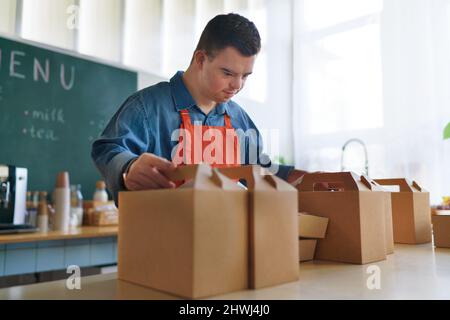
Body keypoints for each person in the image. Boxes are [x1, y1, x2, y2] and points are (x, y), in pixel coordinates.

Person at [91, 13, 308, 205]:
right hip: (160, 241)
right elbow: (107, 149)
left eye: (245, 76)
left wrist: (304, 177)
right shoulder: (147, 107)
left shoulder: (238, 118)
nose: (237, 85)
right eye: (228, 73)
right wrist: (128, 167)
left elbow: (258, 168)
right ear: (201, 59)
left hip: (227, 242)